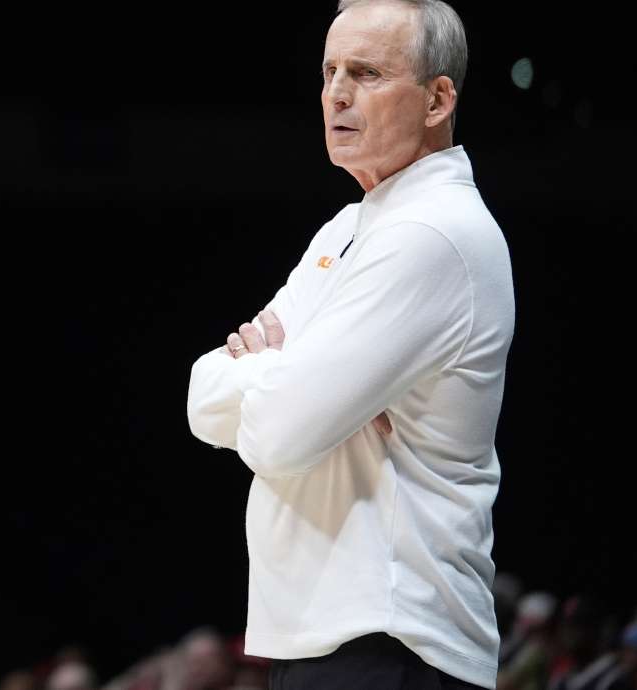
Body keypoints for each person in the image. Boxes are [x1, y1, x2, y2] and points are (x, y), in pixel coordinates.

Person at [186, 1, 514, 688]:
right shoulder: (346, 228)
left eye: (366, 72)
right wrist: (289, 374)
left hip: (393, 640)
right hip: (330, 641)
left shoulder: (432, 234)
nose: (337, 92)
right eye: (330, 70)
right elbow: (201, 395)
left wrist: (273, 372)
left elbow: (279, 432)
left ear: (437, 98)